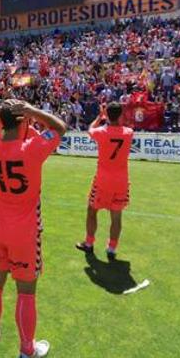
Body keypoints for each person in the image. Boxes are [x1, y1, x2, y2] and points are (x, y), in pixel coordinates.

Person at [0, 100, 66, 358]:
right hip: (25, 232)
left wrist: (4, 109)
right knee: (26, 292)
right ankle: (27, 349)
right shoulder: (32, 148)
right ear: (25, 122)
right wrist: (32, 111)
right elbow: (60, 127)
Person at [75, 102, 134, 260]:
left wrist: (99, 117)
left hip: (102, 179)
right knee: (116, 216)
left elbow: (90, 129)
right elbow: (124, 126)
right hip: (121, 181)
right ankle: (112, 248)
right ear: (121, 114)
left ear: (107, 115)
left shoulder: (101, 132)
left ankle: (89, 243)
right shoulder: (129, 132)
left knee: (92, 210)